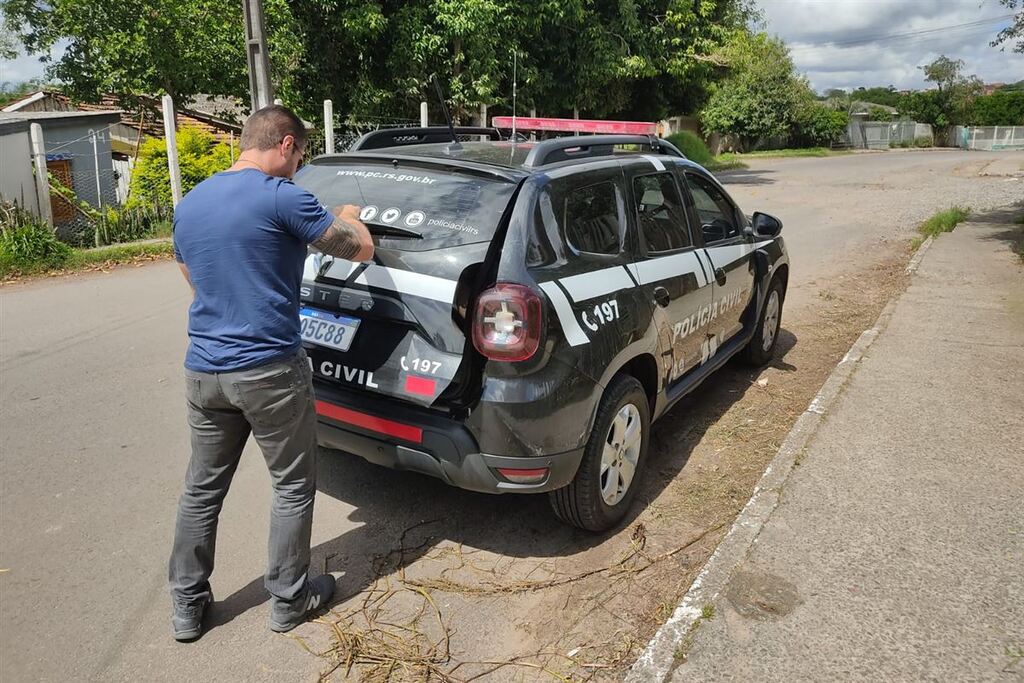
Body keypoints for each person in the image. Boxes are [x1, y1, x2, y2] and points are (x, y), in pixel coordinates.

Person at [168, 104, 374, 642]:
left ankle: (187, 607)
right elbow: (361, 249)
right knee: (292, 487)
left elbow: (190, 269)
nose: (298, 165)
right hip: (269, 371)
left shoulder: (191, 202)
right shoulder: (282, 196)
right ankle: (289, 599)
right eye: (299, 155)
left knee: (201, 489)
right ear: (285, 144)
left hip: (205, 370)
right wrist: (350, 214)